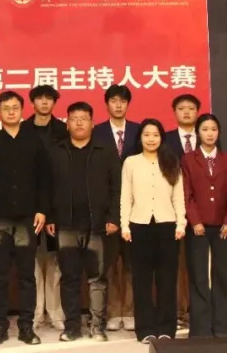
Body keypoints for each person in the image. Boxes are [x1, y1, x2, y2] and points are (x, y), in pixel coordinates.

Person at [0, 91, 50, 346]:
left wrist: (42, 209)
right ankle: (0, 326)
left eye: (15, 107)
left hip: (27, 218)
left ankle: (26, 326)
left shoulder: (34, 140)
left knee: (27, 275)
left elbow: (44, 179)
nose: (10, 111)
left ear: (22, 110)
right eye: (6, 108)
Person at [46, 101, 120, 343]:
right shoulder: (56, 151)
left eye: (84, 118)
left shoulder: (105, 150)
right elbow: (47, 187)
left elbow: (116, 187)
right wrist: (50, 216)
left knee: (97, 278)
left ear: (92, 123)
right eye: (74, 118)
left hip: (98, 225)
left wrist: (113, 217)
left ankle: (97, 326)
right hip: (66, 224)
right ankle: (72, 327)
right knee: (69, 278)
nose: (79, 123)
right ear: (67, 123)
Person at [120, 118, 186, 344]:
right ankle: (145, 329)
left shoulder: (171, 161)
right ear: (140, 138)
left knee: (167, 280)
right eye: (147, 135)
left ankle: (167, 328)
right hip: (139, 226)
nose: (151, 139)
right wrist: (125, 225)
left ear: (162, 138)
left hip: (168, 226)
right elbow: (125, 196)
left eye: (155, 135)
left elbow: (178, 196)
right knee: (142, 281)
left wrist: (181, 224)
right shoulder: (131, 163)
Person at [181, 113, 227, 338]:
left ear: (219, 133)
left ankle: (223, 327)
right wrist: (195, 221)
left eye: (213, 129)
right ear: (198, 133)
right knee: (199, 277)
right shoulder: (188, 159)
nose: (209, 133)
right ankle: (200, 329)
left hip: (223, 227)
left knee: (223, 276)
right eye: (205, 129)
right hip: (198, 227)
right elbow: (186, 194)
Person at [92, 84, 139, 332]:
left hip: (136, 207)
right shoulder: (97, 132)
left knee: (131, 264)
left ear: (128, 104)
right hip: (106, 207)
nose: (118, 105)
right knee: (108, 265)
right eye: (113, 101)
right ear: (107, 104)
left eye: (122, 101)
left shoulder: (139, 131)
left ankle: (129, 312)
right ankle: (112, 312)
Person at [22, 85, 66, 332]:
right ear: (32, 103)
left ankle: (55, 311)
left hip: (56, 204)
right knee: (33, 262)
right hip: (29, 205)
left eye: (49, 99)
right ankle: (36, 311)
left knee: (54, 261)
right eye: (39, 98)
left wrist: (53, 212)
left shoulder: (62, 130)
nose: (44, 102)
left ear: (54, 103)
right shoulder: (23, 129)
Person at [165, 94, 201, 328]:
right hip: (172, 210)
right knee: (175, 265)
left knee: (198, 264)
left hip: (202, 211)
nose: (186, 112)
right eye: (181, 108)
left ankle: (198, 311)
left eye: (191, 108)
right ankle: (177, 311)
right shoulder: (166, 140)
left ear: (197, 112)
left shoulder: (208, 135)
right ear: (174, 112)